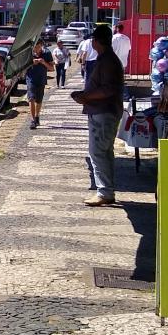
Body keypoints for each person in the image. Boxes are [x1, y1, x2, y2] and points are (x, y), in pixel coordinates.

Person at [71, 24, 125, 205]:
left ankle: (104, 192)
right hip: (101, 111)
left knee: (98, 152)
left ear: (95, 42)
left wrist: (85, 96)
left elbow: (108, 89)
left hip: (104, 112)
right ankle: (106, 190)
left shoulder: (108, 61)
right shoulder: (106, 59)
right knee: (104, 152)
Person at [25, 40, 54, 129]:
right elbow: (22, 67)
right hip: (30, 79)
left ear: (41, 46)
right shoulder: (28, 53)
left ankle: (37, 116)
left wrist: (43, 62)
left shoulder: (47, 53)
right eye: (34, 47)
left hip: (41, 79)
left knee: (39, 100)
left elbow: (52, 68)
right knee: (31, 98)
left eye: (38, 47)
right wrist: (31, 63)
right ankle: (33, 120)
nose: (36, 49)